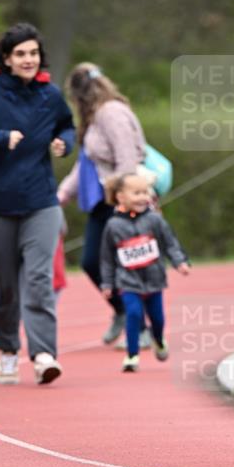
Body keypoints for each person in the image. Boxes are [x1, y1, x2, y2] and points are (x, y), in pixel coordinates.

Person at [0, 22, 75, 385]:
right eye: (21, 54)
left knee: (39, 280)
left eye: (33, 53)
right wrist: (0, 138)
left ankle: (43, 355)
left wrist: (64, 143)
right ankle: (8, 349)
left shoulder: (50, 95)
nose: (28, 59)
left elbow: (68, 126)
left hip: (41, 202)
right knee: (4, 288)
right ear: (7, 59)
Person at [58, 63, 148, 347]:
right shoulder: (94, 119)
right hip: (100, 203)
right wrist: (61, 194)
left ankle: (141, 327)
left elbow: (127, 160)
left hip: (118, 202)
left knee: (124, 266)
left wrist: (123, 201)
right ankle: (122, 311)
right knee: (91, 262)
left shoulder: (112, 114)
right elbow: (86, 164)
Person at [100, 172, 190, 373]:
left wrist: (180, 262)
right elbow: (107, 259)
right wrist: (107, 284)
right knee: (133, 314)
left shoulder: (154, 220)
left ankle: (158, 339)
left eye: (145, 192)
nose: (142, 197)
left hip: (154, 280)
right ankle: (132, 356)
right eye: (136, 193)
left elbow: (170, 243)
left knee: (157, 319)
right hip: (128, 282)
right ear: (121, 197)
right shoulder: (113, 226)